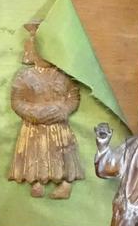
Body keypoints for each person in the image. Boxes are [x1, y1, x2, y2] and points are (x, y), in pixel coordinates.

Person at [8, 20, 83, 199]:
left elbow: (73, 96)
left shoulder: (63, 76)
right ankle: (36, 181)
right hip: (34, 125)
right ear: (30, 52)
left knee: (62, 152)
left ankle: (65, 183)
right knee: (36, 151)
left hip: (58, 124)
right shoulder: (25, 76)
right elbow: (17, 100)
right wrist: (31, 112)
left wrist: (64, 110)